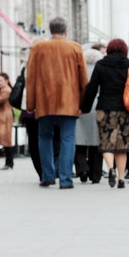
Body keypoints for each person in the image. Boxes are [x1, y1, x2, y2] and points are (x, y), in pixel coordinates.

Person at [26, 18, 88, 189]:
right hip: (69, 100)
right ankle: (66, 179)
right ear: (65, 31)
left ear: (50, 30)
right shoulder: (75, 47)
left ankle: (47, 176)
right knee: (68, 138)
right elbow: (83, 79)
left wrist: (30, 104)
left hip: (44, 100)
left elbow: (30, 78)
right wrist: (83, 103)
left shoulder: (38, 48)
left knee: (44, 136)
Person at [81, 38, 129, 189]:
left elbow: (92, 88)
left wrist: (85, 108)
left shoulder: (101, 65)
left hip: (105, 109)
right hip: (125, 110)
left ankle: (110, 168)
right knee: (123, 145)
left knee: (106, 143)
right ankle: (121, 178)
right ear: (124, 50)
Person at [75, 48, 103, 184]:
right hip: (97, 104)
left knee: (79, 141)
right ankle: (95, 174)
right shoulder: (101, 69)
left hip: (81, 105)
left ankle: (82, 168)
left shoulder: (79, 69)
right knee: (95, 142)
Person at [0, 73, 15, 170]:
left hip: (4, 118)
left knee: (6, 140)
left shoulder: (6, 90)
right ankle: (8, 162)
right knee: (5, 140)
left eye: (0, 80)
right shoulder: (4, 89)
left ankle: (9, 163)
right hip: (2, 117)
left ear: (6, 80)